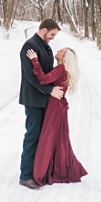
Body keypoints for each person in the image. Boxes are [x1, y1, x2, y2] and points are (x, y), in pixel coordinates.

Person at [27, 47, 88, 186]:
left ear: (64, 57)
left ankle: (41, 173)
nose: (58, 50)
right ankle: (59, 169)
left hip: (55, 107)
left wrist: (34, 61)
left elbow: (43, 79)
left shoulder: (60, 69)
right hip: (58, 106)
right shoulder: (63, 70)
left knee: (48, 137)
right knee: (58, 138)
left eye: (61, 51)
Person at [18, 19, 65, 190]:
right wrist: (49, 91)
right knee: (32, 136)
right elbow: (31, 77)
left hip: (44, 99)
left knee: (43, 137)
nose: (53, 38)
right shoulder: (29, 47)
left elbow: (47, 73)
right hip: (33, 99)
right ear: (44, 29)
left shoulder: (45, 45)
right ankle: (25, 176)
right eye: (52, 34)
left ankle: (39, 172)